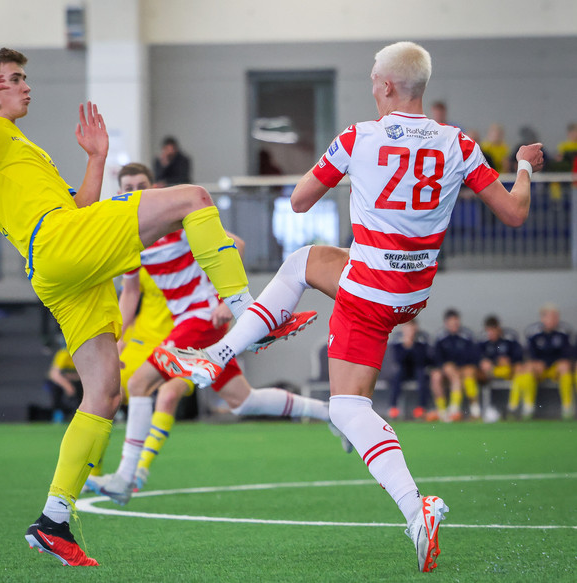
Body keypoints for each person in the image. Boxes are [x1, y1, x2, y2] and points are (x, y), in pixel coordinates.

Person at [154, 41, 544, 573]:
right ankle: (416, 511)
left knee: (308, 290)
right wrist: (522, 166)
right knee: (325, 317)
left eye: (373, 79)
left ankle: (217, 355)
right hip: (410, 292)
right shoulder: (459, 143)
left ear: (386, 85)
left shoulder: (359, 136)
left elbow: (298, 201)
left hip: (367, 290)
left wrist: (351, 172)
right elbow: (516, 213)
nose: (371, 86)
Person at [0, 48, 260, 567]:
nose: (26, 87)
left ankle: (53, 520)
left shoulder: (26, 147)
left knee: (105, 393)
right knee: (194, 197)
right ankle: (248, 314)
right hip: (57, 244)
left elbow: (82, 207)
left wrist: (96, 158)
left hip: (63, 264)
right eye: (16, 79)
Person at [85, 163, 342, 505]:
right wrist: (119, 335)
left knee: (138, 384)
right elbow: (131, 293)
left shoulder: (173, 221)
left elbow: (236, 244)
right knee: (244, 400)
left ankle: (125, 477)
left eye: (141, 184)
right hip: (188, 323)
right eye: (128, 187)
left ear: (153, 187)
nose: (135, 191)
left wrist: (225, 301)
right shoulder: (130, 238)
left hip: (201, 318)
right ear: (119, 193)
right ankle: (330, 413)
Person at [427, 309, 481, 422]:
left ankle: (456, 409)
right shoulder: (440, 337)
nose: (454, 325)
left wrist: (459, 367)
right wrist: (444, 366)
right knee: (435, 376)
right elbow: (435, 357)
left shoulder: (467, 336)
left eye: (456, 322)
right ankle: (442, 411)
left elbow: (474, 356)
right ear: (446, 323)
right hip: (445, 370)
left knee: (465, 373)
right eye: (451, 323)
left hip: (463, 369)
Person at [476, 315, 530, 419]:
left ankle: (514, 408)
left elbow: (518, 356)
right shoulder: (482, 343)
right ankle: (477, 411)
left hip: (509, 372)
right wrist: (485, 362)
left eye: (493, 331)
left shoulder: (509, 340)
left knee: (521, 373)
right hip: (488, 374)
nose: (491, 334)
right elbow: (476, 357)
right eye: (488, 331)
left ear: (498, 329)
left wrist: (509, 361)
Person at [525, 303, 574, 419]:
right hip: (540, 370)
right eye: (551, 317)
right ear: (543, 319)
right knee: (528, 371)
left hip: (556, 370)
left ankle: (568, 408)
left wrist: (564, 362)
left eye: (556, 317)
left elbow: (568, 354)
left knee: (566, 371)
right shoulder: (534, 335)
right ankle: (528, 408)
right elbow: (530, 354)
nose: (554, 320)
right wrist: (535, 363)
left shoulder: (563, 335)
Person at [387, 319, 431, 421]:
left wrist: (412, 345)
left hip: (417, 368)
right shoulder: (398, 339)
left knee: (422, 375)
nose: (410, 331)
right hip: (404, 369)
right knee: (397, 376)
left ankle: (422, 408)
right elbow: (398, 360)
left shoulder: (422, 339)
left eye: (412, 328)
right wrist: (405, 347)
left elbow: (422, 360)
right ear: (403, 328)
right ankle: (393, 407)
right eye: (407, 328)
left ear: (416, 328)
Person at [44, 343, 83, 423]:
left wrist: (71, 377)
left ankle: (79, 414)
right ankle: (58, 414)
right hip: (61, 383)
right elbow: (54, 374)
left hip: (74, 382)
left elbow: (83, 374)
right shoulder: (64, 354)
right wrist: (67, 386)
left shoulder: (82, 354)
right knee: (55, 389)